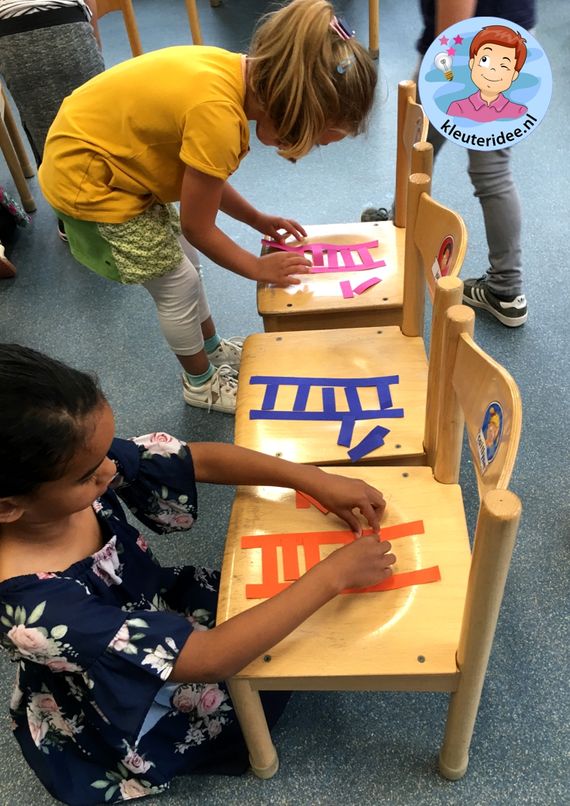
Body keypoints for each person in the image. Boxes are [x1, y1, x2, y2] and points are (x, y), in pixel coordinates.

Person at [0, 343, 395, 805]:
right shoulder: (31, 609)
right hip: (122, 685)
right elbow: (209, 659)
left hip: (155, 611)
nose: (111, 468)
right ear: (9, 506)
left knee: (263, 613)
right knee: (253, 667)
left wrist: (310, 477)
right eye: (89, 474)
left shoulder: (74, 464)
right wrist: (333, 576)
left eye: (108, 451)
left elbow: (197, 459)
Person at [38, 0, 378, 413]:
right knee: (177, 282)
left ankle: (213, 350)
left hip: (107, 155)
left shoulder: (236, 75)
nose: (303, 151)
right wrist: (256, 269)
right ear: (293, 109)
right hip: (91, 181)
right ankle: (200, 384)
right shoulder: (218, 117)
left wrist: (256, 219)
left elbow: (206, 180)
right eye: (315, 140)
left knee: (187, 263)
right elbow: (201, 225)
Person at [363, 0, 534, 327]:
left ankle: (505, 289)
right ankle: (403, 218)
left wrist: (442, 67)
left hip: (470, 47)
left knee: (422, 139)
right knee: (426, 144)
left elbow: (454, 23)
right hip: (510, 37)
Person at [0, 1, 105, 239]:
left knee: (45, 133)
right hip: (68, 22)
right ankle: (112, 208)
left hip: (12, 32)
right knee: (97, 124)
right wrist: (94, 42)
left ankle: (69, 217)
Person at [446, 24, 528, 122]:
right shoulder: (457, 108)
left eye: (503, 66)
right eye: (484, 60)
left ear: (514, 75)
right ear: (472, 63)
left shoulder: (519, 112)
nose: (492, 69)